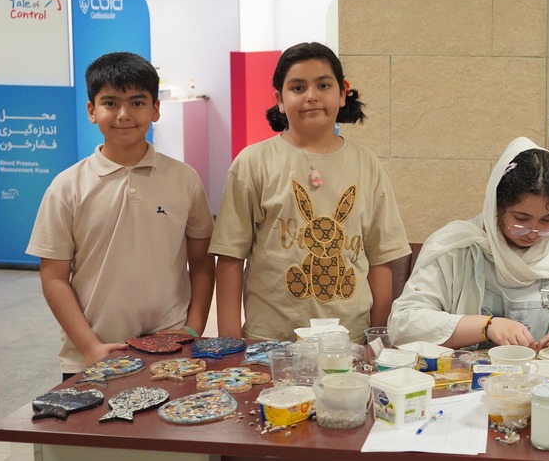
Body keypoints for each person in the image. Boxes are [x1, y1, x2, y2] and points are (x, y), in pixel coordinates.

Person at [27, 52, 215, 378]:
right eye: (110, 103)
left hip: (173, 352)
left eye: (137, 103)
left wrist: (192, 330)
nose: (124, 115)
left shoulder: (184, 179)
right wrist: (90, 347)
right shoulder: (67, 187)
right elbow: (53, 277)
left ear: (155, 109)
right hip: (90, 357)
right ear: (92, 111)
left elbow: (201, 263)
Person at [210, 42, 410, 343]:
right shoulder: (252, 163)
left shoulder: (366, 164)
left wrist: (376, 339)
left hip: (349, 342)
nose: (311, 96)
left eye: (323, 85)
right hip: (270, 343)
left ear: (342, 93)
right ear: (280, 99)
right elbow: (230, 257)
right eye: (297, 88)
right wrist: (230, 341)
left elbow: (381, 258)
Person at [388, 137, 549, 350]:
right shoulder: (456, 249)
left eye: (547, 220)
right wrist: (486, 326)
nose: (533, 233)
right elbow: (404, 324)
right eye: (521, 219)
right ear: (496, 207)